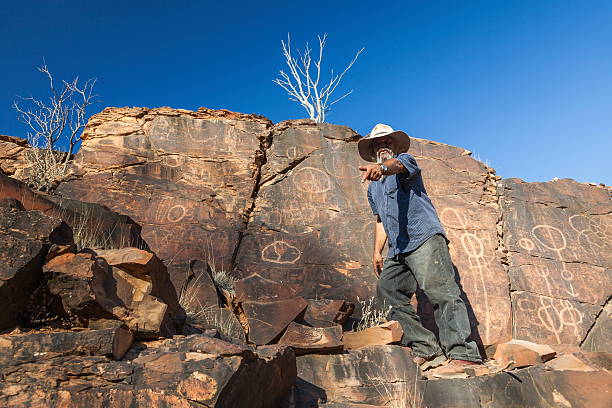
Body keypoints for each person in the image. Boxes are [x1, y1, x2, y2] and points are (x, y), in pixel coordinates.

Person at [358, 123, 482, 376]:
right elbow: (380, 220)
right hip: (398, 249)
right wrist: (376, 252)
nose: (383, 145)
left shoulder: (404, 162)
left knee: (441, 292)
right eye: (377, 143)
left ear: (395, 145)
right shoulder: (373, 188)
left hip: (423, 237)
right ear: (372, 149)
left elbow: (398, 166)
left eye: (387, 141)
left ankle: (464, 355)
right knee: (388, 291)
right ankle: (426, 349)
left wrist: (382, 168)